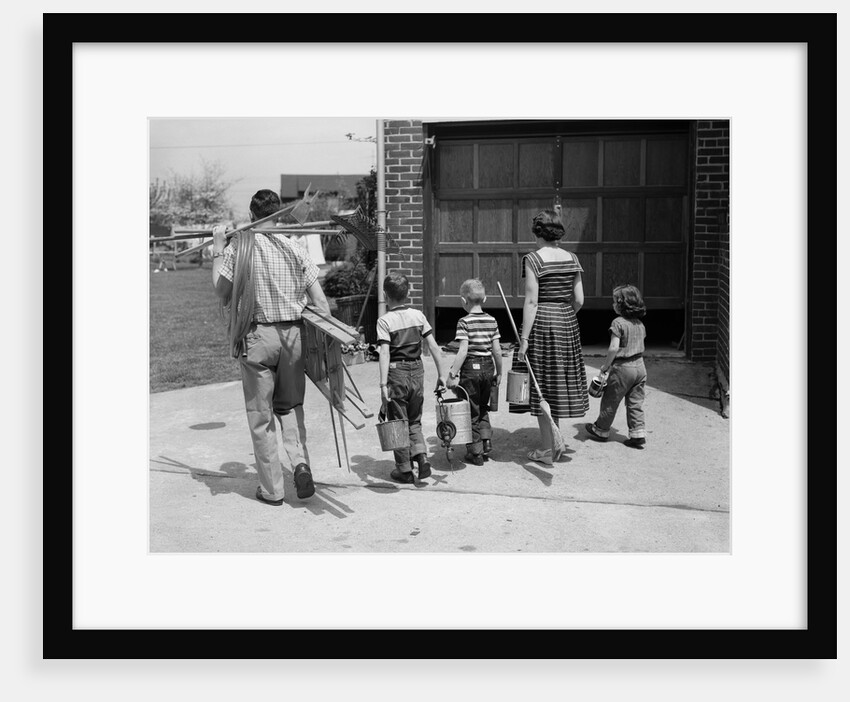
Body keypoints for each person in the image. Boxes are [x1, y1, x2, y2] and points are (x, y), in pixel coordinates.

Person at [211, 189, 332, 505]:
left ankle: (273, 491)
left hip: (258, 338)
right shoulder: (295, 247)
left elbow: (221, 290)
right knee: (290, 407)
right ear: (279, 213)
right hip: (293, 338)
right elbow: (320, 302)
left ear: (252, 216)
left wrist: (218, 248)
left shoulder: (241, 248)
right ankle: (300, 463)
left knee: (261, 415)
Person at [509, 208, 589, 466]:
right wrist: (563, 314)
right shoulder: (572, 258)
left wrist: (524, 338)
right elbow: (579, 300)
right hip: (567, 321)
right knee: (558, 383)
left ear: (538, 234)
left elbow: (531, 301)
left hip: (542, 322)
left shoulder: (533, 259)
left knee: (542, 384)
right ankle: (556, 441)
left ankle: (546, 450)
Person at [377, 272, 447, 483]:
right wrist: (442, 374)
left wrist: (382, 384)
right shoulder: (418, 316)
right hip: (417, 371)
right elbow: (434, 346)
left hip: (397, 374)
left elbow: (384, 352)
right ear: (408, 293)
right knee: (414, 419)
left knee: (398, 422)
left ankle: (405, 469)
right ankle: (421, 455)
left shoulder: (385, 321)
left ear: (385, 295)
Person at [445, 278, 502, 465]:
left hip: (471, 368)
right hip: (488, 367)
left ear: (463, 301)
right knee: (483, 406)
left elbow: (463, 351)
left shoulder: (464, 322)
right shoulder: (492, 320)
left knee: (471, 409)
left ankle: (475, 451)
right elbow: (497, 350)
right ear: (484, 299)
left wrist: (452, 373)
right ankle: (486, 442)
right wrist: (499, 371)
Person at [585, 284, 648, 449]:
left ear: (622, 304)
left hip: (623, 368)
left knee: (611, 399)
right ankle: (637, 433)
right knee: (635, 401)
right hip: (640, 367)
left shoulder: (618, 323)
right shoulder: (640, 324)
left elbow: (614, 348)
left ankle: (601, 429)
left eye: (614, 301)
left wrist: (606, 366)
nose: (612, 304)